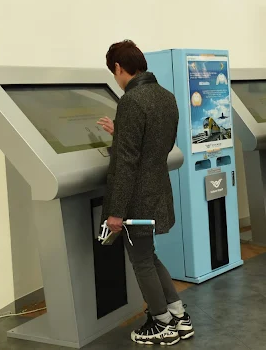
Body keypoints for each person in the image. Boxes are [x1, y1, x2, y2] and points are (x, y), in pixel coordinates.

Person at [98, 40, 193, 346]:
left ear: (118, 68)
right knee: (148, 255)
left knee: (140, 261)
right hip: (157, 189)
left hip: (136, 197)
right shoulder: (166, 97)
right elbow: (160, 144)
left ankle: (161, 322)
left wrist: (116, 211)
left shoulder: (130, 101)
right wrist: (121, 131)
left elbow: (126, 162)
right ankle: (179, 314)